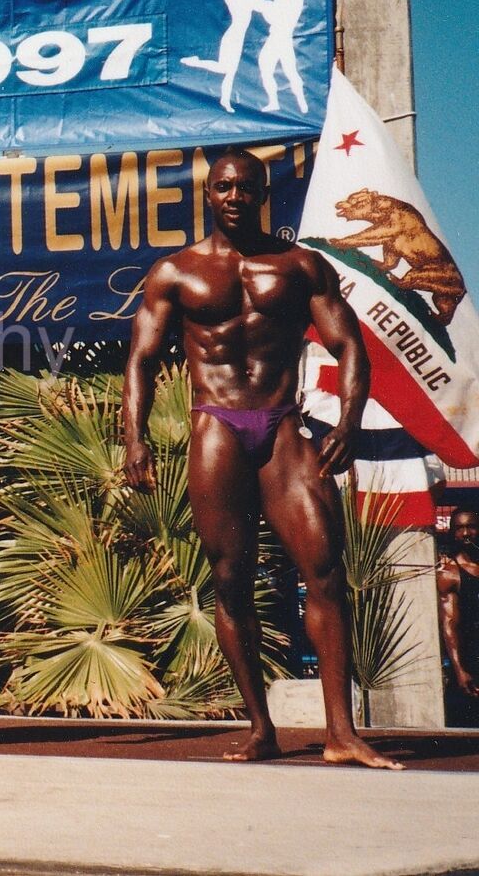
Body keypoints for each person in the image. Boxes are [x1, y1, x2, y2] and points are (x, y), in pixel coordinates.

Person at [123, 149, 400, 769]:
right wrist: (134, 436)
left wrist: (351, 418)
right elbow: (141, 358)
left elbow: (349, 343)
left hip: (280, 426)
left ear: (262, 194)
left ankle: (340, 732)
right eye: (223, 187)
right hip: (215, 423)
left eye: (245, 188)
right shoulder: (176, 271)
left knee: (324, 566)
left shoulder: (301, 266)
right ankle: (260, 728)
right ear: (208, 193)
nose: (233, 197)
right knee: (230, 578)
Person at [436, 509, 479, 699]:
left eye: (471, 527)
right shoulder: (450, 574)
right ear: (452, 533)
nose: (466, 533)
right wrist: (460, 670)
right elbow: (449, 624)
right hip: (471, 657)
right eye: (460, 528)